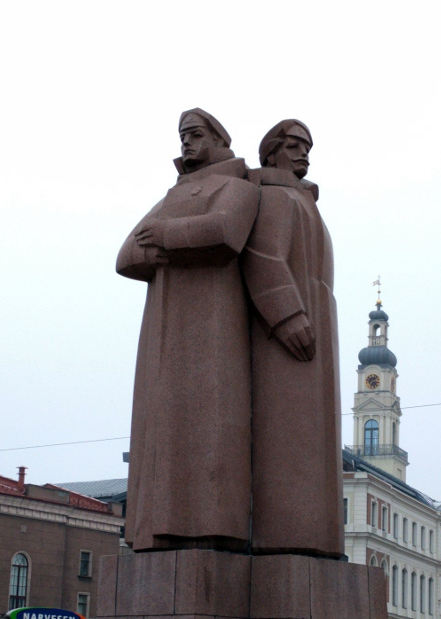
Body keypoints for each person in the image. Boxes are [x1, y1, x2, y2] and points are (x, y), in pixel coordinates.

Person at [117, 109, 259, 551]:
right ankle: (158, 529)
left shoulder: (237, 186)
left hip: (214, 323)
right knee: (162, 429)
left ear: (218, 139)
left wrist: (161, 236)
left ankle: (209, 525)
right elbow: (124, 256)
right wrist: (157, 250)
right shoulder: (172, 194)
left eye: (194, 134)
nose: (185, 143)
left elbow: (225, 232)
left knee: (210, 422)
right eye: (182, 135)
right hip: (163, 328)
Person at [241, 120, 345, 558]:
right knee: (288, 435)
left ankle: (312, 540)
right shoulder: (276, 196)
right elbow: (263, 256)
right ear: (271, 153)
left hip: (315, 332)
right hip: (287, 339)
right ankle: (288, 536)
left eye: (308, 147)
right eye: (295, 145)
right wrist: (286, 316)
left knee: (313, 440)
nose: (305, 154)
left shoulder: (303, 201)